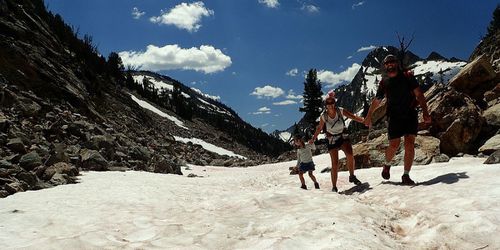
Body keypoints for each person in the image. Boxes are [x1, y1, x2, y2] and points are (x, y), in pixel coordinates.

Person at [364, 54, 432, 185]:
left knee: (409, 144)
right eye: (387, 63)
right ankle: (387, 165)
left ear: (397, 63)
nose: (390, 65)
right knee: (394, 145)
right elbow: (377, 100)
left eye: (392, 62)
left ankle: (406, 175)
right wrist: (368, 116)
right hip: (394, 116)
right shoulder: (384, 82)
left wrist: (425, 112)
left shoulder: (407, 76)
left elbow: (419, 94)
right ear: (385, 66)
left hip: (410, 113)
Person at [310, 90, 365, 192]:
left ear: (334, 102)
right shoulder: (324, 116)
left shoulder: (340, 111)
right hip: (331, 139)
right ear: (325, 105)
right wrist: (313, 138)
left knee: (350, 155)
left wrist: (363, 120)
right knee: (334, 163)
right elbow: (319, 128)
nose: (330, 104)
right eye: (328, 103)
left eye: (332, 102)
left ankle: (352, 176)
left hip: (342, 136)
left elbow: (353, 117)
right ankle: (334, 186)